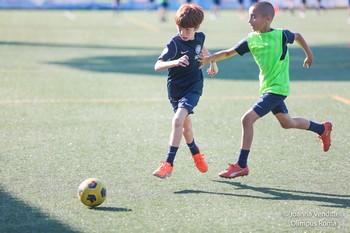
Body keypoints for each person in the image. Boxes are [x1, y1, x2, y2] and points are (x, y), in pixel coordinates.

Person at [199, 1, 332, 179]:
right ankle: (322, 129)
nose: (249, 20)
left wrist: (309, 55)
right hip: (267, 89)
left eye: (254, 16)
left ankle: (241, 165)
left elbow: (298, 36)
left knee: (247, 120)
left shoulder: (281, 35)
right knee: (287, 123)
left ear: (267, 19)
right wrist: (209, 59)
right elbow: (228, 52)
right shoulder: (251, 39)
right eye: (249, 16)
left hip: (277, 89)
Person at [152, 3, 218, 179]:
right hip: (175, 90)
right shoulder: (174, 43)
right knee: (186, 129)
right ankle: (196, 153)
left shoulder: (199, 37)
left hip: (193, 87)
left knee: (177, 120)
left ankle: (168, 164)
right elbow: (157, 65)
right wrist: (174, 62)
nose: (183, 33)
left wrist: (212, 62)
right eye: (180, 28)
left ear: (196, 28)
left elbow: (202, 48)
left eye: (187, 30)